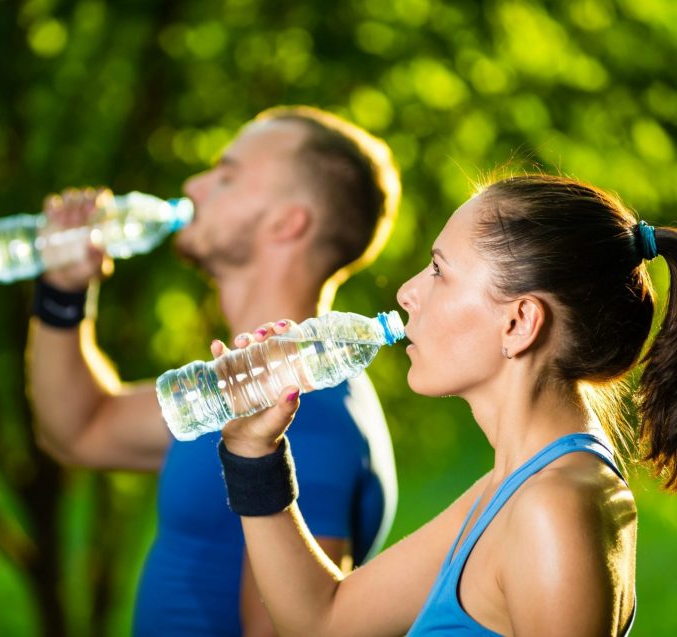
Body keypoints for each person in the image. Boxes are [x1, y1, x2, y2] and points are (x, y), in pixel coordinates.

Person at [217, 173, 677, 636]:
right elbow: (323, 621)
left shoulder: (552, 508)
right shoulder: (512, 489)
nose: (406, 292)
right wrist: (254, 451)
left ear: (519, 323)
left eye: (439, 271)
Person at [26, 105, 402, 636]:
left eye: (226, 177)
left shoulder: (301, 410)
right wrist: (63, 293)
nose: (194, 186)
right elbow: (78, 431)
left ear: (287, 222)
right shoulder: (238, 391)